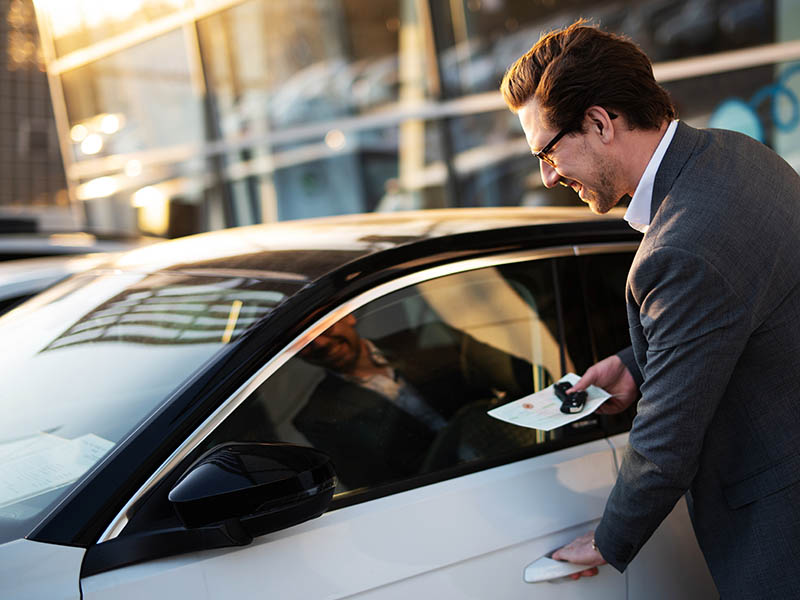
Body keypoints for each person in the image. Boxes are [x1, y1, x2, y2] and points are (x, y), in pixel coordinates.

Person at [500, 20, 800, 598]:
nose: (545, 175)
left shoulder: (679, 248)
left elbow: (667, 441)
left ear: (599, 122)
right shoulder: (739, 155)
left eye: (547, 151)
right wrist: (636, 364)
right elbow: (737, 308)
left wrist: (608, 540)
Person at [294, 313, 536, 490]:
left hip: (523, 456)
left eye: (322, 328)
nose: (320, 344)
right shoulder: (317, 418)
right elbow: (376, 486)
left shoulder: (430, 338)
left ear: (348, 316)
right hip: (448, 494)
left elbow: (530, 384)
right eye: (303, 342)